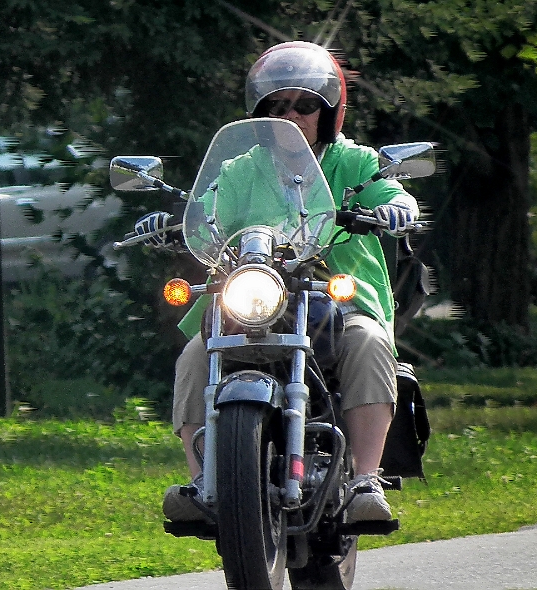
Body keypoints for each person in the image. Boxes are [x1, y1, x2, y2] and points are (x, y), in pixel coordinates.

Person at [138, 41, 419, 524]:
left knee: (368, 341)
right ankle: (203, 483)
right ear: (261, 114)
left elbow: (392, 191)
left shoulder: (354, 162)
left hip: (333, 298)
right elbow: (206, 212)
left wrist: (396, 208)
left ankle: (365, 480)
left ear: (328, 112)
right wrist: (174, 223)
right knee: (195, 353)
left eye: (305, 105)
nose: (292, 116)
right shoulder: (241, 169)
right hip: (255, 296)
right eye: (278, 106)